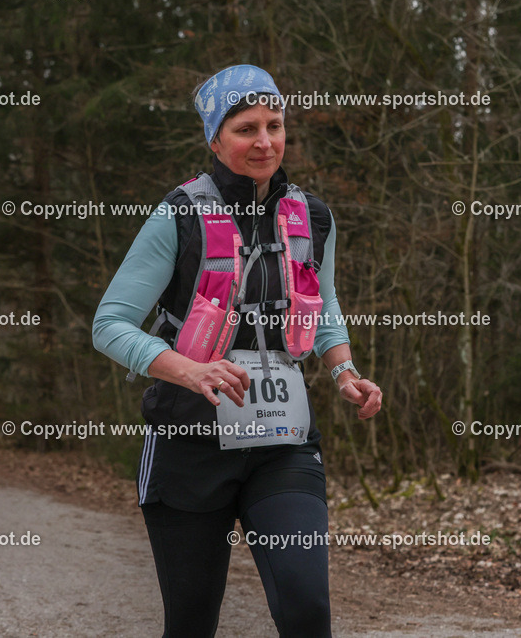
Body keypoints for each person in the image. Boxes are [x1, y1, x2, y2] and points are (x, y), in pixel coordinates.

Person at [92, 65, 382, 637]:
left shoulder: (313, 216)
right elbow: (110, 323)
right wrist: (189, 370)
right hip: (189, 440)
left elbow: (321, 303)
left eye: (275, 125)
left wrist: (344, 370)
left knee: (306, 608)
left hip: (283, 440)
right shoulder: (178, 213)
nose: (265, 141)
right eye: (246, 128)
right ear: (214, 138)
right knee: (192, 621)